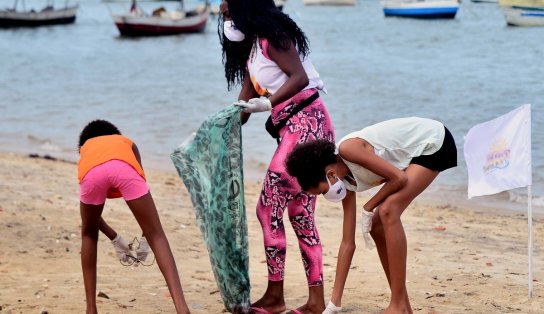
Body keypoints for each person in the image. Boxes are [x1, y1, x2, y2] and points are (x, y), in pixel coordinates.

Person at [219, 1, 335, 313]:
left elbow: (298, 77)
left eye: (228, 4)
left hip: (308, 125)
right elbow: (241, 109)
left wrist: (267, 104)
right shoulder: (252, 52)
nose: (221, 8)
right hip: (293, 130)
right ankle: (315, 301)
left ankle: (275, 296)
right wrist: (218, 125)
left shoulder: (275, 36)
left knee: (267, 206)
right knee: (299, 213)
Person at [285, 117, 458, 314]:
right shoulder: (346, 185)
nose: (326, 196)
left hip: (434, 141)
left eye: (322, 191)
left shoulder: (348, 150)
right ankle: (403, 307)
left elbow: (398, 178)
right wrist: (334, 305)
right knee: (376, 226)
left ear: (331, 174)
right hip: (414, 156)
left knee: (388, 211)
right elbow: (347, 243)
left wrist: (369, 206)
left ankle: (396, 306)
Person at [77, 119, 190, 314]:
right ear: (115, 135)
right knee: (158, 235)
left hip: (92, 175)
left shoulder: (86, 150)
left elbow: (91, 222)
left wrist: (114, 238)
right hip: (124, 169)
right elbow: (142, 193)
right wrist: (147, 236)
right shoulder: (126, 143)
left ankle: (91, 309)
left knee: (88, 235)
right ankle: (182, 309)